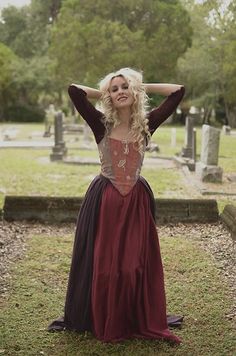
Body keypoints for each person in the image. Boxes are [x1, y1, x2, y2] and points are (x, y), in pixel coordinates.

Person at [48, 68, 185, 344]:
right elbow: (74, 90)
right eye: (115, 89)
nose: (120, 91)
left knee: (133, 265)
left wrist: (138, 85)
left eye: (125, 87)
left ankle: (131, 316)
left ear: (133, 91)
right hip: (106, 201)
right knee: (107, 267)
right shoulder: (101, 123)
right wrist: (106, 92)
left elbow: (177, 92)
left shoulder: (147, 123)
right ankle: (105, 316)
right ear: (108, 96)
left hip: (136, 202)